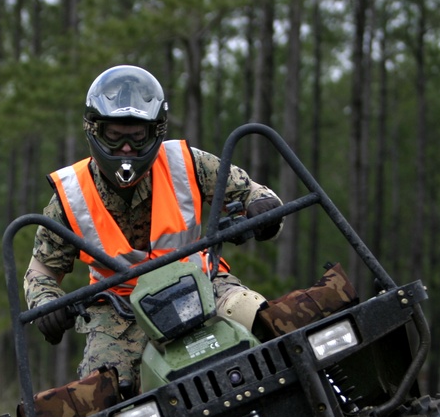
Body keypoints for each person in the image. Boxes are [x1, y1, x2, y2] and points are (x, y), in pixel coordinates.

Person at [23, 64, 285, 395]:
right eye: (114, 137)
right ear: (94, 131)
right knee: (100, 392)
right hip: (119, 311)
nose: (127, 150)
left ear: (156, 131)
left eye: (137, 137)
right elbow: (42, 269)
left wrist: (263, 209)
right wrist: (46, 304)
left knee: (262, 320)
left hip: (202, 283)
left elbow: (253, 192)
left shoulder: (186, 162)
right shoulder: (70, 194)